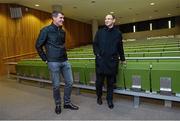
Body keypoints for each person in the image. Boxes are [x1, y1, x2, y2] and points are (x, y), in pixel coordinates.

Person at [35, 11, 79, 114]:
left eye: (63, 18)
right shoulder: (45, 30)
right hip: (53, 62)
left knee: (70, 82)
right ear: (54, 18)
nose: (63, 20)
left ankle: (67, 103)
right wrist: (45, 59)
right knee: (56, 85)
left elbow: (62, 45)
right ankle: (58, 104)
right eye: (61, 18)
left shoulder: (63, 32)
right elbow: (38, 45)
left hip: (64, 61)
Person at [93, 14, 126, 109]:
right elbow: (95, 45)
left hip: (112, 61)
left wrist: (123, 59)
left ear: (114, 20)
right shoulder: (99, 32)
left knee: (110, 83)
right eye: (105, 19)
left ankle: (109, 99)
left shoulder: (118, 33)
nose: (106, 20)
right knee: (99, 82)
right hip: (101, 61)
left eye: (109, 19)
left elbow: (120, 47)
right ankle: (99, 97)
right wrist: (97, 55)